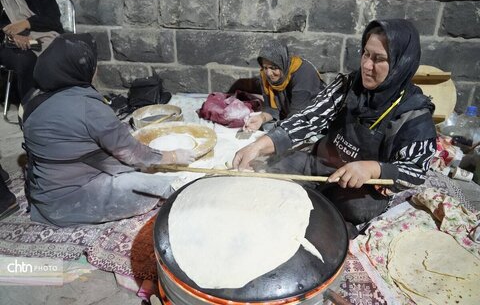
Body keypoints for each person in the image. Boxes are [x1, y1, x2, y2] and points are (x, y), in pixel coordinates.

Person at [233, 19, 437, 237]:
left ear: (401, 63)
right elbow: (309, 117)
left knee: (357, 209)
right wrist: (260, 145)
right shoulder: (349, 85)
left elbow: (416, 171)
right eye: (366, 54)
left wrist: (372, 168)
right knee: (272, 169)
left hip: (358, 186)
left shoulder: (413, 114)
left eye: (378, 59)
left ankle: (323, 222)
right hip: (320, 163)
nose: (367, 66)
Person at [21, 33, 195, 227]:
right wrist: (174, 156)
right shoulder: (89, 107)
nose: (96, 69)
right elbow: (133, 154)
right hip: (73, 199)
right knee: (171, 186)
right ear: (83, 68)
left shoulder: (31, 100)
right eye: (94, 64)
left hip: (45, 196)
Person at [243, 40, 326, 132]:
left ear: (282, 63)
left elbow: (296, 116)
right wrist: (261, 118)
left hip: (312, 118)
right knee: (264, 127)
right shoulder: (265, 75)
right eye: (265, 67)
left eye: (273, 68)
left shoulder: (304, 73)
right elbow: (270, 108)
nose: (269, 73)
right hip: (289, 117)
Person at [0, 0, 63, 103]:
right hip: (8, 44)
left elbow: (54, 22)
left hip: (45, 39)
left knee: (72, 52)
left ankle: (63, 102)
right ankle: (30, 108)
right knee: (25, 59)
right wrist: (12, 35)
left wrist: (26, 23)